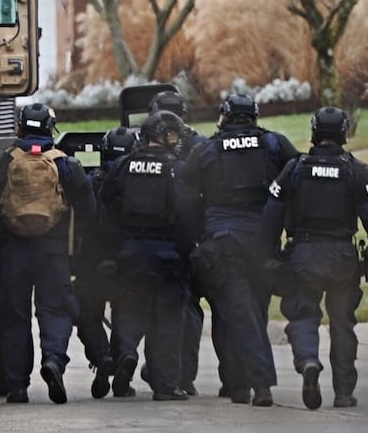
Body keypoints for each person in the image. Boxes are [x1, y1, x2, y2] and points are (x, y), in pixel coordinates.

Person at [0, 103, 93, 404]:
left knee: (15, 317)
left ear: (20, 127)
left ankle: (17, 386)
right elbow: (89, 208)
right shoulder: (65, 164)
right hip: (53, 252)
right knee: (55, 309)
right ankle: (54, 361)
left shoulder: (5, 159)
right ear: (51, 130)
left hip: (13, 250)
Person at [260, 106, 368, 410]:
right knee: (342, 324)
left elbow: (272, 211)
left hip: (304, 255)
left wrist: (267, 252)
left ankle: (308, 360)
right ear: (343, 133)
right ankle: (344, 392)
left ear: (314, 132)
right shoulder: (356, 170)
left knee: (303, 314)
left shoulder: (294, 168)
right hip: (343, 258)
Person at [178, 92, 297, 407]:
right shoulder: (275, 144)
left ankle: (254, 384)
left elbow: (184, 196)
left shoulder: (207, 150)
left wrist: (199, 233)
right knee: (253, 311)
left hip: (225, 241)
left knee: (237, 314)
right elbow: (299, 179)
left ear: (225, 117)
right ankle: (239, 384)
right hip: (264, 242)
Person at [96, 110, 199, 400]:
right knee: (168, 320)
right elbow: (186, 214)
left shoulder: (123, 166)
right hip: (167, 257)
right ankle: (166, 387)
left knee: (130, 310)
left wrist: (114, 250)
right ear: (165, 136)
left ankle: (127, 353)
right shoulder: (176, 169)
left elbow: (105, 207)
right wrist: (187, 252)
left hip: (131, 253)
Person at [149, 89, 206, 396]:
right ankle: (181, 376)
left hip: (150, 240)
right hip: (190, 239)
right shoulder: (201, 146)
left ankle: (160, 372)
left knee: (152, 311)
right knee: (188, 310)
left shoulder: (141, 143)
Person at [78, 125, 137, 398]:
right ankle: (126, 354)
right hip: (126, 261)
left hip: (91, 261)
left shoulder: (90, 181)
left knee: (89, 317)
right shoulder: (137, 182)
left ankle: (102, 358)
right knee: (126, 311)